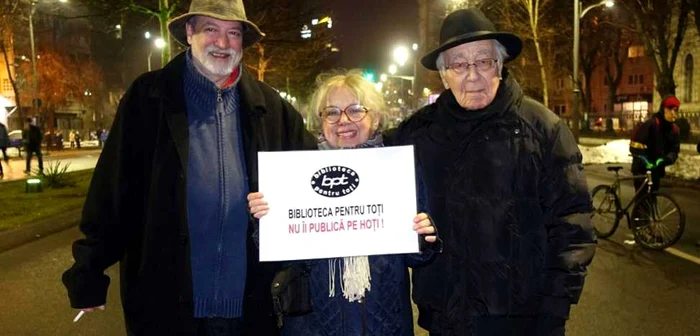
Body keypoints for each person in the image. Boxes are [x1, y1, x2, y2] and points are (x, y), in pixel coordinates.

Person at [61, 0, 317, 334]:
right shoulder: (148, 98)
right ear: (189, 32)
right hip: (166, 308)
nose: (222, 43)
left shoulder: (271, 109)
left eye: (233, 33)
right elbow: (112, 192)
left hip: (251, 310)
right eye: (211, 29)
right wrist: (88, 273)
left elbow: (314, 183)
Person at [385, 9, 595, 335]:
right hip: (447, 318)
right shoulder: (418, 132)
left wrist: (555, 310)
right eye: (459, 65)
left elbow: (573, 227)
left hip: (524, 321)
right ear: (443, 75)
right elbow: (365, 171)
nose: (472, 75)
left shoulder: (543, 130)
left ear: (500, 65)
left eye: (483, 61)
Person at [247, 70, 441, 336]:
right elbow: (279, 258)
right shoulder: (294, 175)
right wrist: (265, 221)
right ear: (320, 121)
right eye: (332, 112)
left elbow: (416, 256)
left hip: (384, 323)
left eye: (356, 110)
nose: (343, 120)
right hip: (314, 325)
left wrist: (424, 236)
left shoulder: (397, 171)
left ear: (375, 118)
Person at [629, 95, 681, 192]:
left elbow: (674, 150)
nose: (674, 113)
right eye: (671, 109)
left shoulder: (674, 130)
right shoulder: (652, 124)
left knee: (652, 198)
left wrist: (666, 159)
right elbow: (636, 145)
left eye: (676, 110)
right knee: (643, 200)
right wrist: (645, 161)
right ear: (664, 110)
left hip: (656, 171)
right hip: (641, 170)